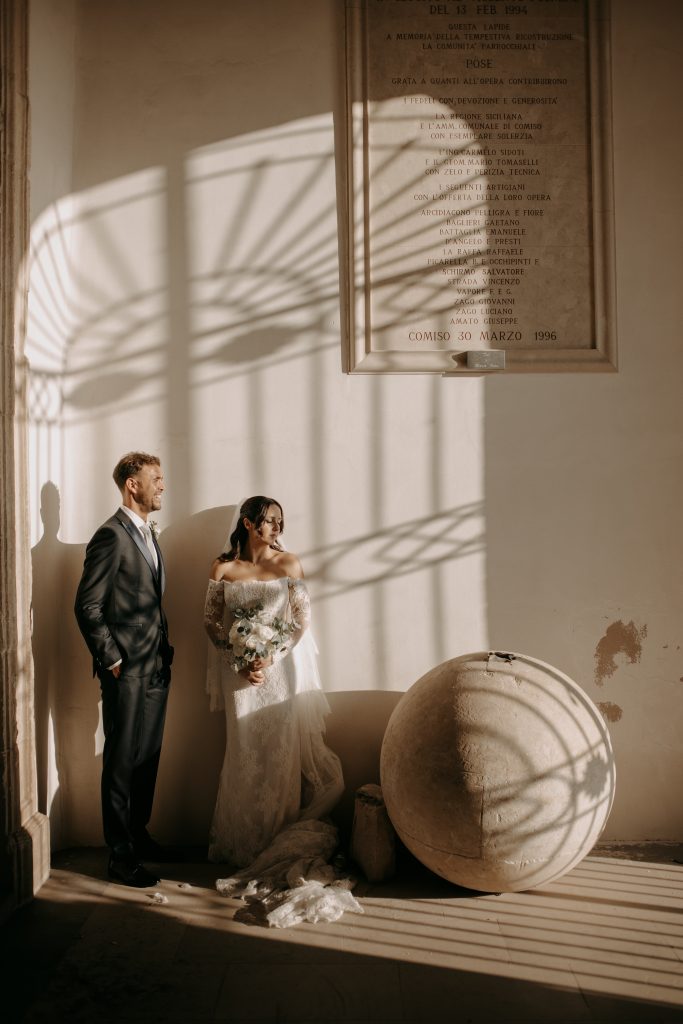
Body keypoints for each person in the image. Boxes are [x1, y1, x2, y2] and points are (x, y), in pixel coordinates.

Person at [203, 496, 344, 869]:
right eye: (269, 520)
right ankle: (243, 842)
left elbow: (301, 620)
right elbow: (212, 622)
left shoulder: (289, 563)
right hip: (240, 675)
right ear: (248, 524)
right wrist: (238, 662)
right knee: (244, 752)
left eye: (280, 520)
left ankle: (277, 837)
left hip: (280, 672)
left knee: (280, 753)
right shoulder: (223, 568)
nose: (277, 527)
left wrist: (272, 656)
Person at [74, 452, 174, 888]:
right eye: (155, 478)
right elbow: (87, 605)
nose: (162, 486)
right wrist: (111, 658)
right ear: (132, 485)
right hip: (126, 669)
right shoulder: (111, 536)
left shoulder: (151, 535)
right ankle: (119, 856)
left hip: (155, 665)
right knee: (120, 761)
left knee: (147, 757)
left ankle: (138, 834)